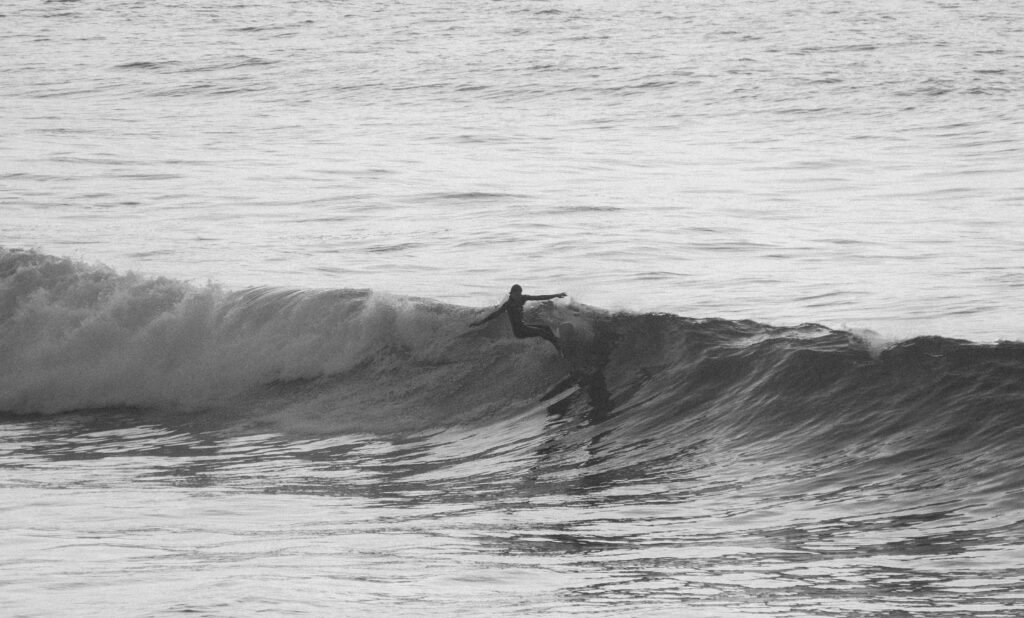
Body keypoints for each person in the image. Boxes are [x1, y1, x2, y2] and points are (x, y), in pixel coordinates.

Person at [469, 284, 566, 352]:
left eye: (520, 293)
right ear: (512, 294)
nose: (519, 295)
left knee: (546, 328)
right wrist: (480, 322)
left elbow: (539, 297)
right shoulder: (508, 304)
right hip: (519, 331)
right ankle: (559, 343)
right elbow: (495, 314)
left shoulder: (523, 298)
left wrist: (556, 295)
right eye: (517, 294)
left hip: (524, 326)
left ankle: (558, 348)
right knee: (541, 332)